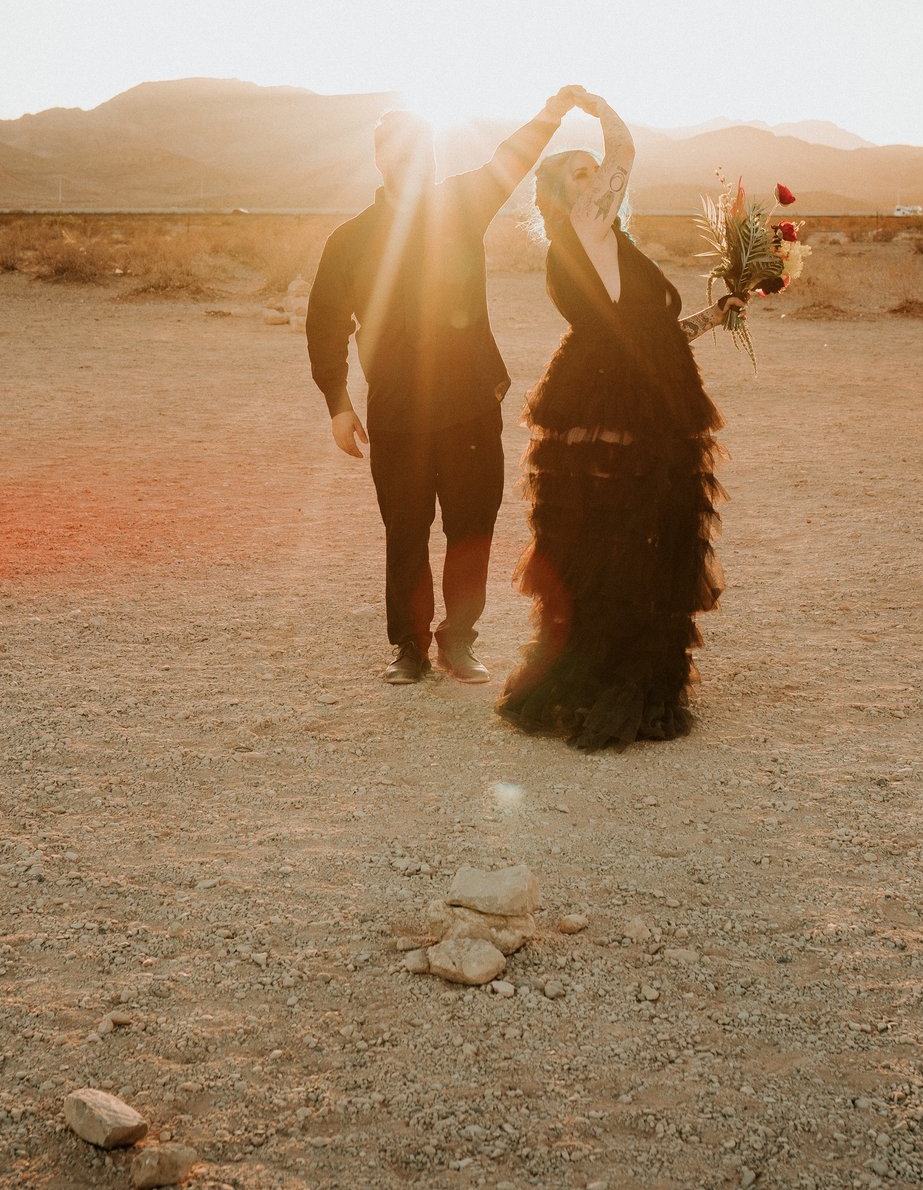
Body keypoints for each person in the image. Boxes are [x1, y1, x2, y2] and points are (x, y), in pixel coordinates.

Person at [307, 90, 582, 685]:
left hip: (470, 405)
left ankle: (458, 641)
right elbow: (325, 324)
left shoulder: (461, 203)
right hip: (399, 412)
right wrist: (338, 402)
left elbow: (513, 157)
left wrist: (553, 112)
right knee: (405, 532)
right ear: (381, 160)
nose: (417, 164)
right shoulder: (349, 241)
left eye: (424, 152)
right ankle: (409, 647)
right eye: (403, 154)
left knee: (471, 528)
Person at [497, 91, 738, 750]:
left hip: (631, 390)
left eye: (591, 171)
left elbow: (647, 332)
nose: (594, 176)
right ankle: (612, 677)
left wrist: (716, 315)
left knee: (633, 541)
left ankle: (599, 669)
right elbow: (624, 153)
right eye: (577, 172)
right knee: (625, 542)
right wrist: (598, 110)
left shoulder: (603, 244)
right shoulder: (584, 228)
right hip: (617, 405)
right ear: (558, 193)